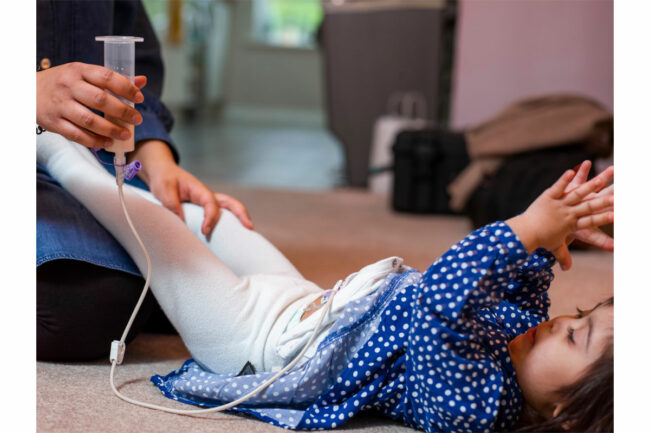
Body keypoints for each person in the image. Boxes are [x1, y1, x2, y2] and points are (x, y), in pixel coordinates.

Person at [37, 131, 613, 432]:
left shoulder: (477, 407)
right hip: (307, 304)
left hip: (257, 346)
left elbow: (445, 298)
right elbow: (517, 290)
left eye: (576, 338)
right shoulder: (522, 338)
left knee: (148, 228)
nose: (562, 320)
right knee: (210, 217)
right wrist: (547, 244)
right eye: (581, 315)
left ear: (570, 418)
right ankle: (119, 175)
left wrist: (525, 228)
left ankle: (49, 147)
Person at [36, 0, 251, 361]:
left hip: (95, 160)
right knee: (87, 307)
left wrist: (157, 162)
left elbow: (135, 90)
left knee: (224, 253)